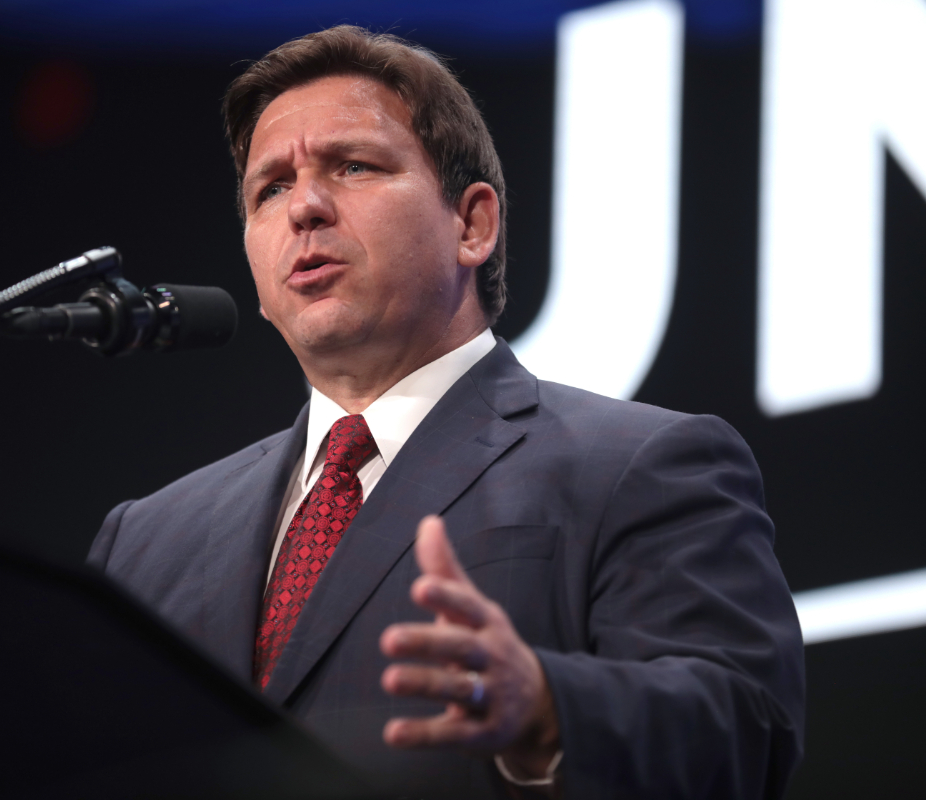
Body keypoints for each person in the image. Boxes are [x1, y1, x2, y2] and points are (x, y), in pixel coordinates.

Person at [89, 25, 804, 799]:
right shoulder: (145, 542)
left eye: (353, 166)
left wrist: (548, 710)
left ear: (472, 225)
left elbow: (744, 731)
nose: (305, 209)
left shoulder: (641, 466)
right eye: (271, 189)